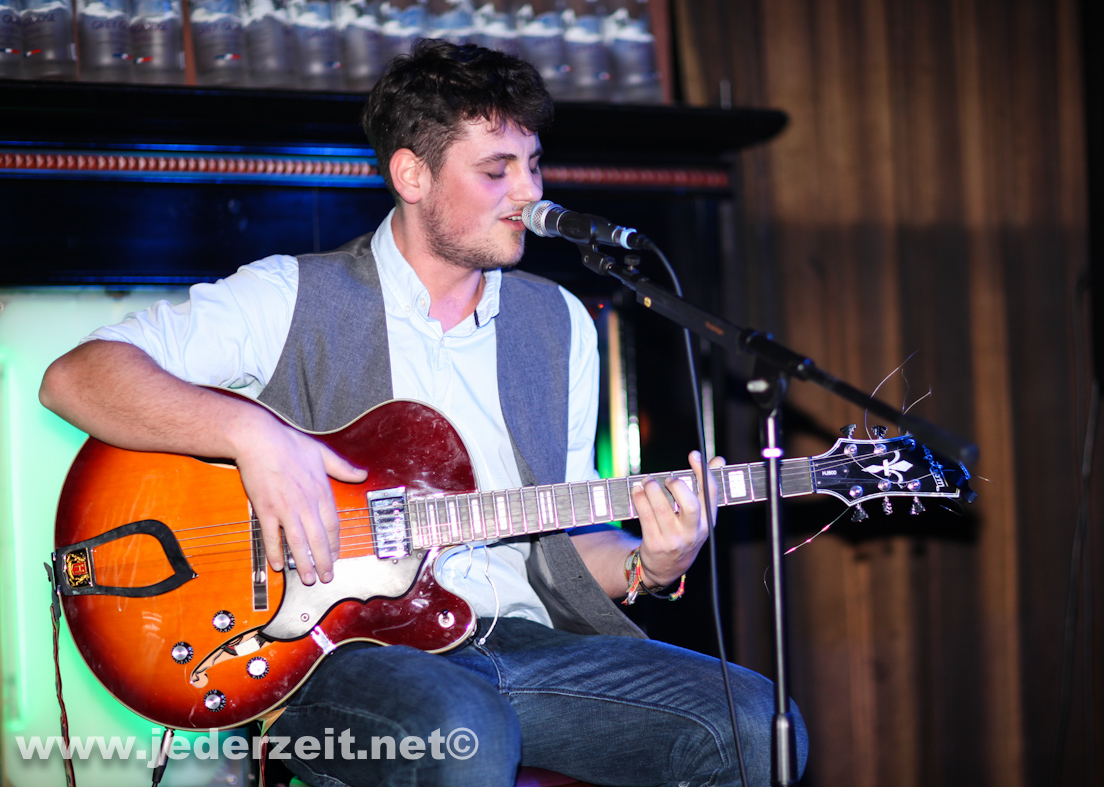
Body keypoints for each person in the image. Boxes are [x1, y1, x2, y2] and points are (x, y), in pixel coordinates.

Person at [39, 40, 805, 787]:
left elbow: (569, 542)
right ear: (411, 173)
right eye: (495, 170)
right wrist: (251, 434)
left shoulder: (559, 321)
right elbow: (75, 378)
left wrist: (650, 563)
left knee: (753, 725)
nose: (529, 192)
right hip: (332, 656)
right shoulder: (290, 294)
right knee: (465, 727)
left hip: (523, 646)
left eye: (533, 164)